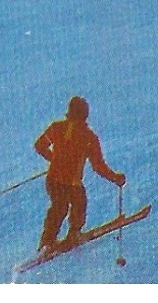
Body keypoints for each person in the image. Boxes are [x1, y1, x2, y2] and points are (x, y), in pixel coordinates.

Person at [33, 96, 124, 250]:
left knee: (63, 206)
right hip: (71, 182)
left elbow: (40, 145)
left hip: (55, 179)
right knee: (73, 206)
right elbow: (98, 166)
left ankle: (48, 241)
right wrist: (115, 178)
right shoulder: (89, 137)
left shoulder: (57, 127)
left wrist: (53, 159)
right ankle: (70, 234)